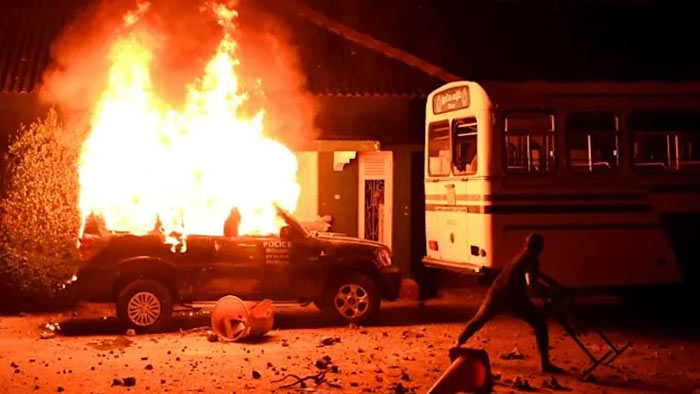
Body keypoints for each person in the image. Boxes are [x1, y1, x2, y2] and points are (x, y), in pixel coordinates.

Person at [454, 233, 565, 374]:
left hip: (497, 291)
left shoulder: (522, 256)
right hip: (513, 298)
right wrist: (550, 292)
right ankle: (545, 364)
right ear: (540, 248)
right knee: (540, 324)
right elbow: (531, 282)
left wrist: (552, 284)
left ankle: (457, 344)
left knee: (480, 319)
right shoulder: (532, 259)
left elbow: (536, 274)